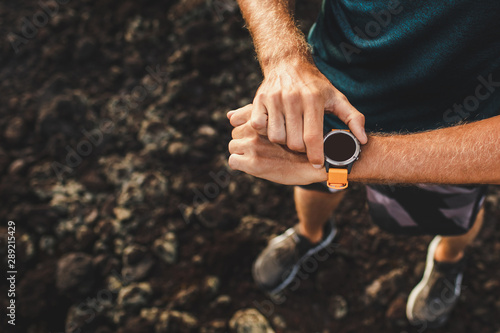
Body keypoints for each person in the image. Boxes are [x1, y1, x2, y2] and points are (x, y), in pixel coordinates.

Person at [228, 0, 500, 328]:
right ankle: (309, 234)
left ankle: (448, 259)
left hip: (459, 128)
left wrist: (355, 161)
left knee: (451, 215)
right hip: (325, 92)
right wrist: (283, 57)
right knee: (312, 188)